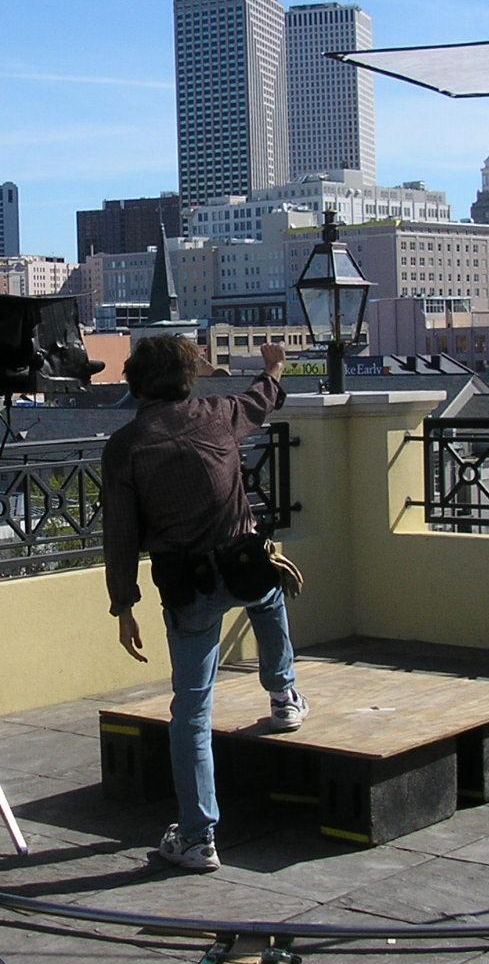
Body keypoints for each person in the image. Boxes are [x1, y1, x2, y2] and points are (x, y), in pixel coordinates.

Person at [101, 336, 306, 873]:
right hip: (241, 566)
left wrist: (124, 605)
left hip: (185, 584)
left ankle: (197, 838)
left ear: (132, 383)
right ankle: (284, 694)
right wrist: (274, 365)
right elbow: (261, 400)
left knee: (191, 710)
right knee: (269, 592)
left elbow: (120, 534)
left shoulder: (125, 446)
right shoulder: (218, 415)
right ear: (188, 380)